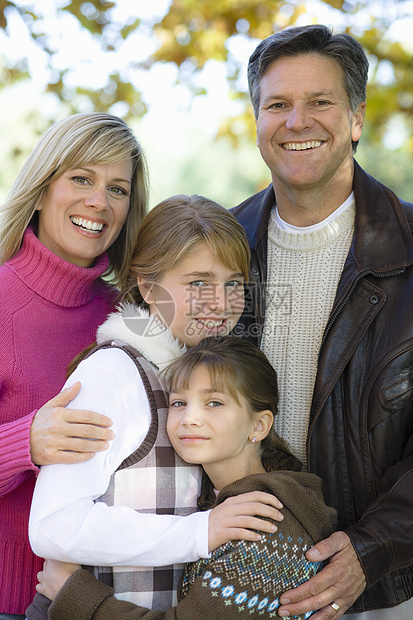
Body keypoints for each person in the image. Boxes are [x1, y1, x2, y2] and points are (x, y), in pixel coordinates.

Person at [27, 195, 284, 619]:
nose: (219, 304)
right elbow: (53, 525)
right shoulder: (113, 373)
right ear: (148, 287)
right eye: (198, 283)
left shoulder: (204, 375)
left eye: (233, 283)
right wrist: (200, 531)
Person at [230, 23, 413, 619]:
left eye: (321, 102)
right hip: (239, 567)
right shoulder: (220, 248)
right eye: (277, 104)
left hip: (379, 583)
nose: (297, 121)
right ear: (257, 121)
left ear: (356, 119)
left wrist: (372, 548)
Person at [32, 334, 337, 620]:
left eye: (214, 403)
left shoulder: (266, 524)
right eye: (179, 403)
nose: (189, 418)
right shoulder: (216, 501)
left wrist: (72, 594)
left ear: (258, 426)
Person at [0, 111, 148, 618]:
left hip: (98, 601)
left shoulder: (130, 316)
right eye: (81, 178)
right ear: (41, 190)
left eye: (118, 188)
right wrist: (27, 442)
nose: (99, 202)